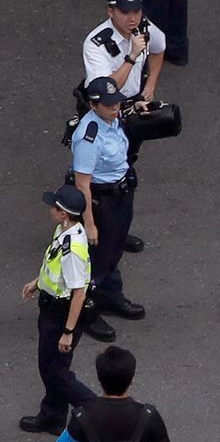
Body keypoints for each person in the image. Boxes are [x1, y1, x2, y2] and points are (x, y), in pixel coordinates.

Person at [21, 185, 97, 436]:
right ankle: (52, 416)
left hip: (62, 315)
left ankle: (97, 412)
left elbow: (78, 293)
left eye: (54, 206)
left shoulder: (73, 248)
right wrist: (37, 282)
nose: (50, 209)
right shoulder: (63, 230)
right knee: (50, 367)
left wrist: (68, 331)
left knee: (56, 372)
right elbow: (54, 266)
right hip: (51, 308)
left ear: (63, 213)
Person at [68, 77, 143, 326]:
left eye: (117, 103)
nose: (115, 108)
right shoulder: (88, 137)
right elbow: (82, 185)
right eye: (109, 105)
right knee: (97, 260)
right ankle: (86, 312)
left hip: (121, 194)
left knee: (115, 248)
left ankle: (111, 295)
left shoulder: (114, 119)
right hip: (103, 201)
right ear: (92, 105)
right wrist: (90, 224)